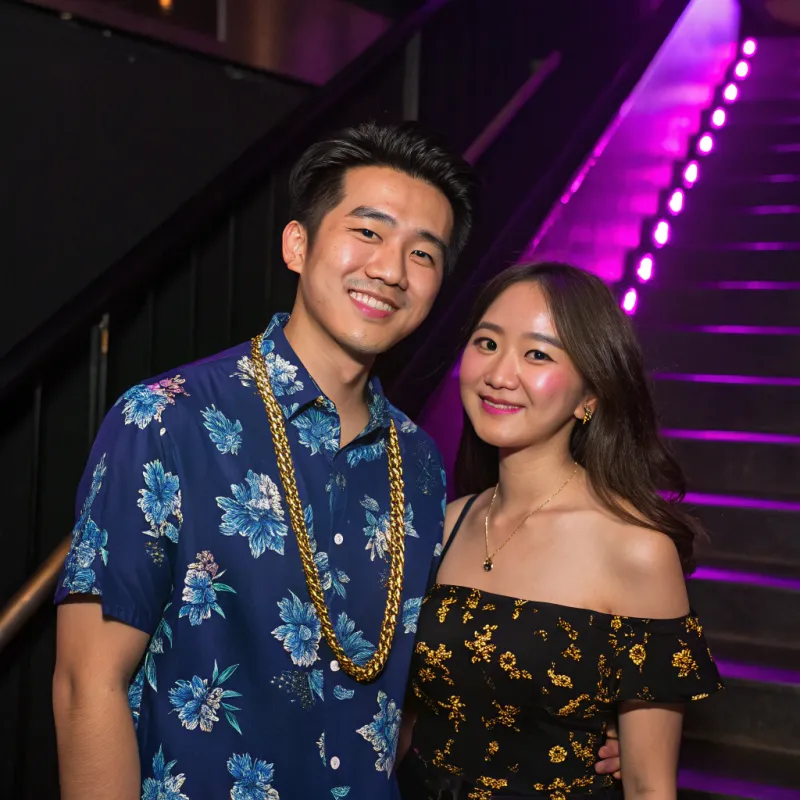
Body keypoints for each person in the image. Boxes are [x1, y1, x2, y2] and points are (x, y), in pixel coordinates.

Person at [52, 124, 621, 800]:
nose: (390, 270)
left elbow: (415, 688)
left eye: (424, 254)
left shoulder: (421, 462)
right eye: (370, 232)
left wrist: (552, 727)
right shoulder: (167, 420)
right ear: (298, 244)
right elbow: (87, 685)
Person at [398, 263, 723, 800]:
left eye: (538, 354)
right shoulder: (445, 524)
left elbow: (647, 786)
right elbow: (405, 724)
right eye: (486, 342)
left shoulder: (636, 551)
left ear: (589, 396)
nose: (499, 374)